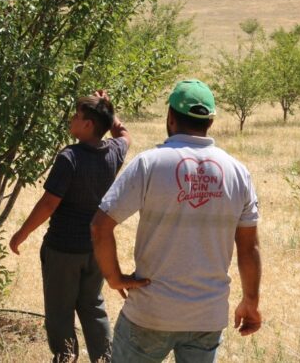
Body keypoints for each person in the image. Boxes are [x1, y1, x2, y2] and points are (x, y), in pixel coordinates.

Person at [91, 79, 261, 363]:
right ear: (210, 121)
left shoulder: (150, 163)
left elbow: (100, 225)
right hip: (207, 316)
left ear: (170, 117)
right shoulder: (237, 172)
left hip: (150, 312)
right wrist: (251, 302)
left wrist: (114, 277)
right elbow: (249, 248)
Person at [9, 91, 131, 363]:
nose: (72, 119)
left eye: (77, 117)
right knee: (92, 305)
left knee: (60, 310)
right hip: (96, 248)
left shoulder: (69, 158)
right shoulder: (113, 152)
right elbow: (124, 135)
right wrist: (108, 112)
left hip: (63, 248)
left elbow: (49, 203)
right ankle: (105, 358)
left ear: (88, 125)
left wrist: (22, 233)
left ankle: (65, 357)